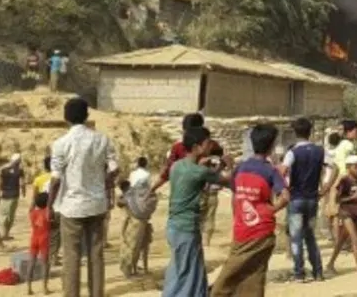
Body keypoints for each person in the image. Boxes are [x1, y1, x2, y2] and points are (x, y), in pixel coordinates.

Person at [49, 97, 119, 297]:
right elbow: (114, 168)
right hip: (96, 204)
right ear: (87, 115)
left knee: (71, 256)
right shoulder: (102, 139)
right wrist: (104, 184)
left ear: (66, 117)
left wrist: (49, 205)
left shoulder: (61, 143)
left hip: (71, 206)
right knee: (96, 254)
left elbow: (55, 179)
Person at [210, 124, 290, 297]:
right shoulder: (270, 171)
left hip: (242, 228)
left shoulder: (241, 167)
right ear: (271, 147)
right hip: (262, 230)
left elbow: (234, 191)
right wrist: (271, 210)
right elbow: (285, 196)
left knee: (234, 273)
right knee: (254, 275)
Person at [162, 126, 232, 296]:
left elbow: (203, 177)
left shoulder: (177, 166)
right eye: (207, 144)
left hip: (174, 226)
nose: (210, 147)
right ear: (196, 147)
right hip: (186, 228)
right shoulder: (198, 172)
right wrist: (229, 165)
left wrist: (216, 166)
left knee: (183, 268)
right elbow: (226, 180)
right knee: (186, 273)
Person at [279, 117, 330, 283]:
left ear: (295, 132)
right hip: (313, 199)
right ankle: (318, 272)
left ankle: (299, 273)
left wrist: (284, 189)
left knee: (296, 238)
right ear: (310, 132)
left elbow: (283, 170)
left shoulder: (292, 152)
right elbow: (334, 167)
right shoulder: (319, 150)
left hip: (296, 199)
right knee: (310, 236)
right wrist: (326, 187)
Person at [326, 154, 357, 280]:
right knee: (355, 239)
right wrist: (352, 197)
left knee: (341, 240)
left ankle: (330, 264)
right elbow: (338, 199)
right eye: (356, 167)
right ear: (348, 167)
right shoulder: (344, 181)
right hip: (345, 213)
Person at [118, 178, 158, 279]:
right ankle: (141, 269)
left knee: (131, 248)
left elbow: (125, 216)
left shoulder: (125, 198)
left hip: (134, 225)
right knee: (143, 247)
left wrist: (122, 232)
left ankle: (128, 272)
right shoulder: (136, 193)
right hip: (145, 222)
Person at [27, 192, 52, 296]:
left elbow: (31, 206)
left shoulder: (32, 212)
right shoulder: (48, 212)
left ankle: (29, 287)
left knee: (31, 263)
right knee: (45, 264)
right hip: (44, 238)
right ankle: (44, 288)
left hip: (34, 238)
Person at [0, 153, 26, 240]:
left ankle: (3, 233)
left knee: (3, 214)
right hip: (14, 195)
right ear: (19, 161)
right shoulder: (20, 171)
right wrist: (23, 192)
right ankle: (6, 234)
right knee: (10, 215)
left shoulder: (3, 169)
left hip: (4, 194)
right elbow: (22, 183)